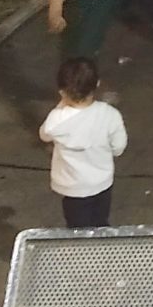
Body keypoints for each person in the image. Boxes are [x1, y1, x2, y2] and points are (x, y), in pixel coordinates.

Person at [39, 55, 126, 230]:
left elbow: (44, 135)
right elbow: (118, 148)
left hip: (73, 187)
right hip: (102, 182)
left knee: (77, 227)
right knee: (100, 220)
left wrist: (61, 105)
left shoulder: (56, 119)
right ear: (97, 84)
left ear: (62, 92)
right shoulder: (110, 115)